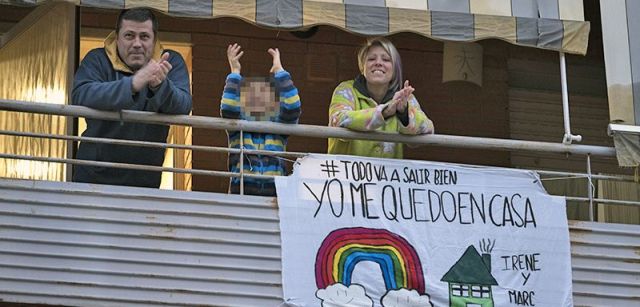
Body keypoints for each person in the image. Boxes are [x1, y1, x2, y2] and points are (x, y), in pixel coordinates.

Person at [72, 8, 192, 188]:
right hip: (92, 177)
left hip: (145, 180)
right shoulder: (97, 59)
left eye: (144, 36)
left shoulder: (170, 61)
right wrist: (133, 84)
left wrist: (160, 86)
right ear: (117, 37)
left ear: (154, 39)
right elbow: (81, 94)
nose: (137, 43)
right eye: (129, 36)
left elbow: (184, 105)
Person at [328, 37, 434, 158]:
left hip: (387, 176)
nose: (378, 63)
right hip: (346, 175)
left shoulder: (404, 97)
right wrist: (384, 113)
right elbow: (337, 120)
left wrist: (403, 113)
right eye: (371, 59)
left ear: (395, 69)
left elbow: (428, 129)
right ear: (363, 66)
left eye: (386, 59)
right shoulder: (346, 90)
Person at [221, 43, 301, 196]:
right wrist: (235, 72)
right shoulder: (239, 127)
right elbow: (228, 107)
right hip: (242, 194)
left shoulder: (279, 127)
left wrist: (279, 70)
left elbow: (293, 106)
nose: (258, 98)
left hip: (275, 196)